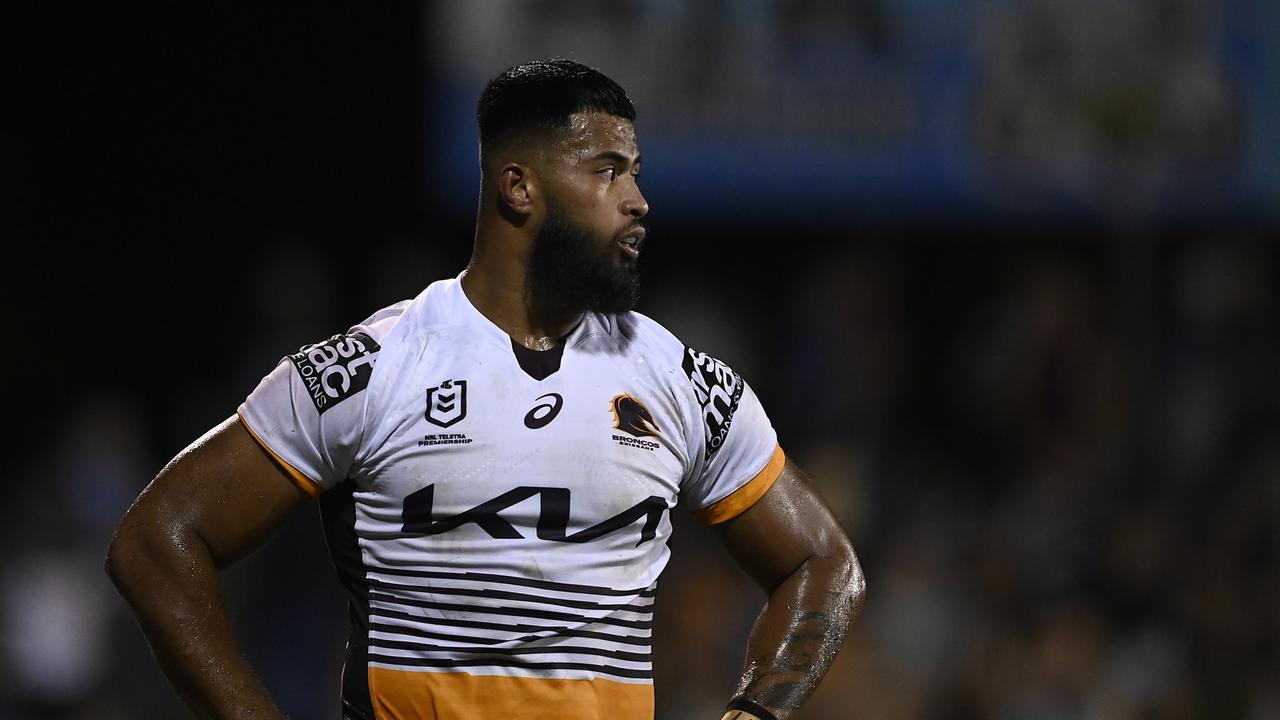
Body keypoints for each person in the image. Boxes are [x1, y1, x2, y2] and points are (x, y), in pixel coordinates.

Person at [106, 58, 866, 720]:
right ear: (518, 188)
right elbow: (156, 541)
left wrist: (754, 712)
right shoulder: (376, 367)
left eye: (636, 172)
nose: (637, 200)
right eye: (607, 170)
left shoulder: (673, 376)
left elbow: (825, 563)